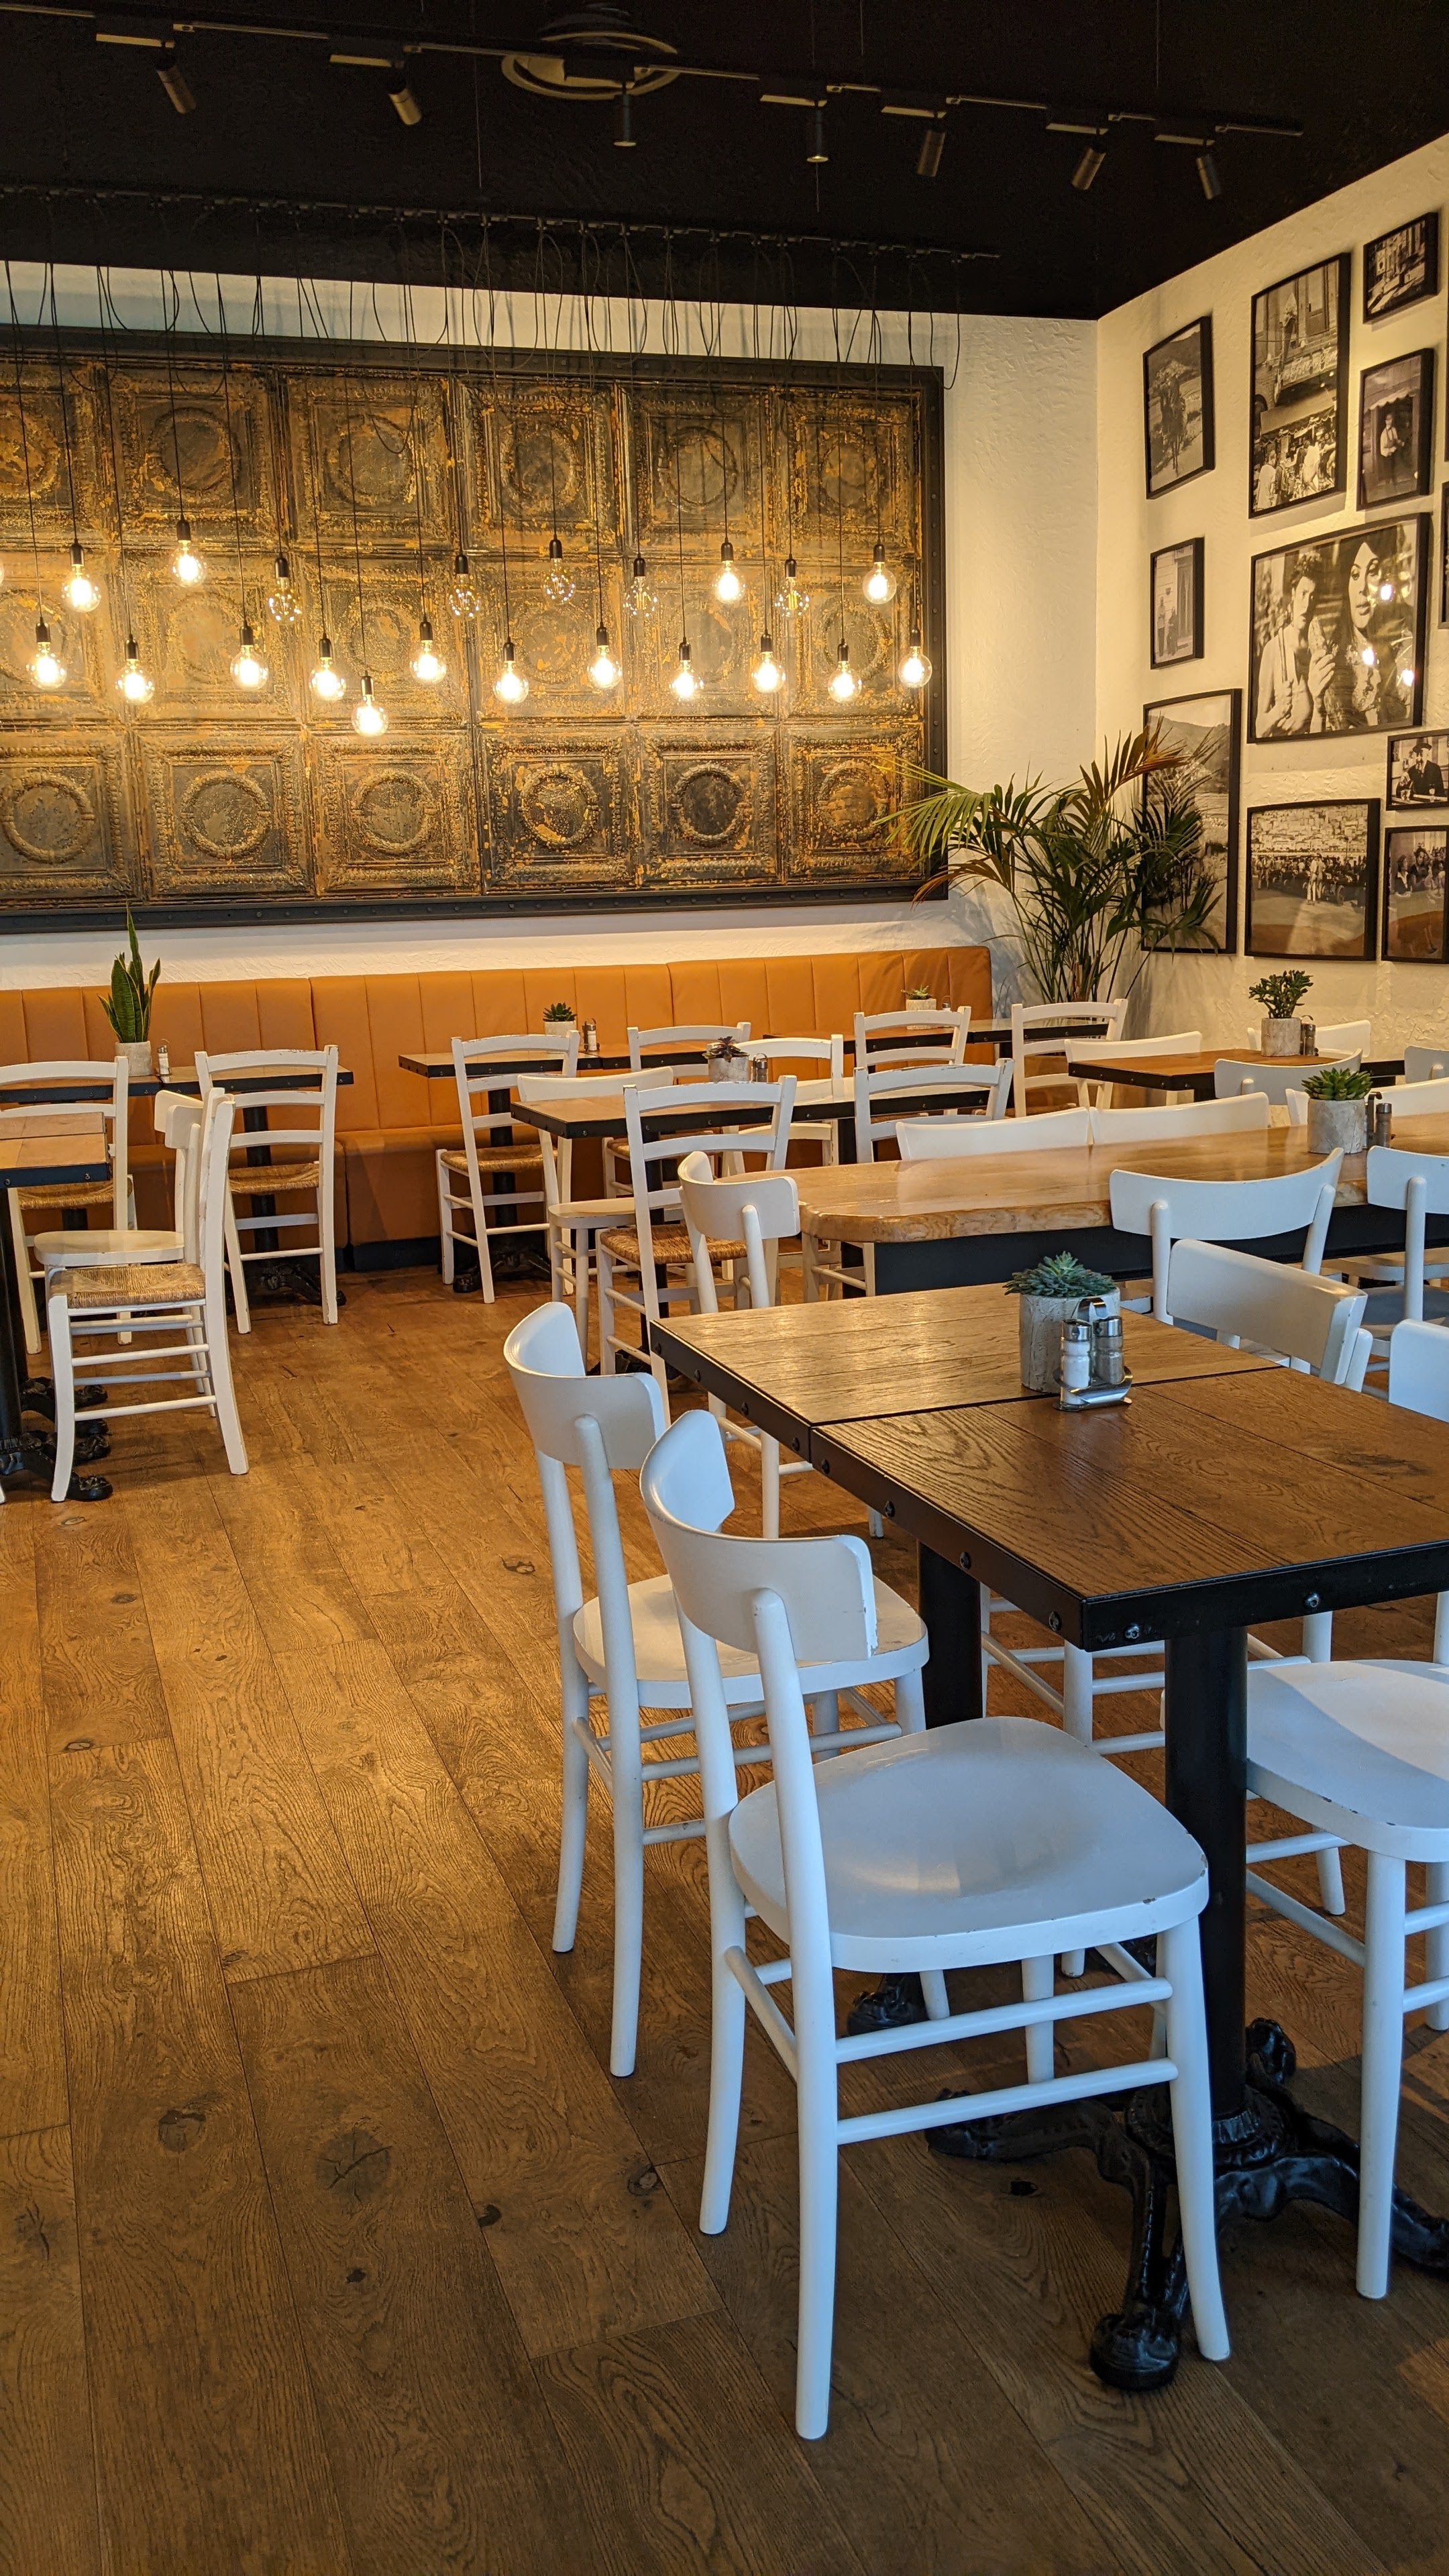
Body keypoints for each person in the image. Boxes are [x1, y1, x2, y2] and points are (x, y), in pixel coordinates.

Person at [1254, 548, 1334, 736]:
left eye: (1313, 596)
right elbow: (1259, 730)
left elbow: (1323, 727)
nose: (1307, 604)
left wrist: (1320, 705)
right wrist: (1277, 711)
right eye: (1303, 594)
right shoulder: (1273, 649)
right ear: (1293, 593)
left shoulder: (1319, 652)